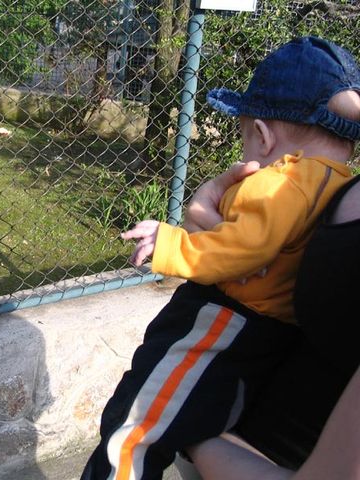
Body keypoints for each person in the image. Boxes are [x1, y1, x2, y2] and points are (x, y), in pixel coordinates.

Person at [80, 36, 360, 480]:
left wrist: (171, 242)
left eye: (245, 138)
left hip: (219, 322)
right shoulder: (340, 187)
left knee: (134, 430)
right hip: (269, 339)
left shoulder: (280, 180)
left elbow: (241, 249)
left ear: (263, 135)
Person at [181, 157, 360, 479]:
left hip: (231, 453)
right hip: (223, 430)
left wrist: (187, 427)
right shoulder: (337, 183)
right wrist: (226, 221)